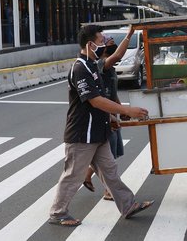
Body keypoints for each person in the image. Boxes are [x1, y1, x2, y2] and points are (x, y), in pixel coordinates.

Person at [49, 25, 153, 227]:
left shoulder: (92, 65)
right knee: (73, 175)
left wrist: (112, 118)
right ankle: (57, 212)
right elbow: (94, 100)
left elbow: (101, 99)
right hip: (82, 134)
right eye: (101, 41)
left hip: (98, 131)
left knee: (110, 172)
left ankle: (128, 205)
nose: (104, 45)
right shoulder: (80, 68)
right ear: (89, 44)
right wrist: (126, 110)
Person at [83, 29, 135, 201]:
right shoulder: (101, 64)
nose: (111, 40)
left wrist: (122, 110)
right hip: (103, 115)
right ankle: (107, 189)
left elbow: (113, 93)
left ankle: (86, 175)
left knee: (108, 153)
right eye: (107, 40)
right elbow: (119, 55)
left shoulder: (111, 69)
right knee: (108, 157)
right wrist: (129, 34)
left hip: (112, 114)